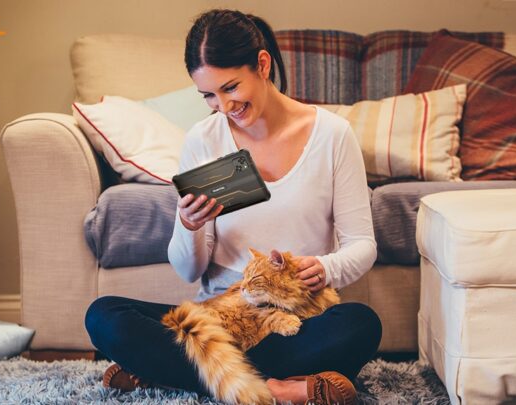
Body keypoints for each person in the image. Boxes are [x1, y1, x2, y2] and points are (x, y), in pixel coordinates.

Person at [85, 9, 382, 405]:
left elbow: (363, 243)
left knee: (360, 325)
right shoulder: (204, 140)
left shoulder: (332, 135)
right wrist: (188, 226)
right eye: (208, 95)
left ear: (262, 64)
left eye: (230, 88)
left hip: (293, 318)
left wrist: (326, 267)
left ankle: (180, 372)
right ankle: (276, 387)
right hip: (221, 318)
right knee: (106, 316)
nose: (223, 106)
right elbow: (189, 270)